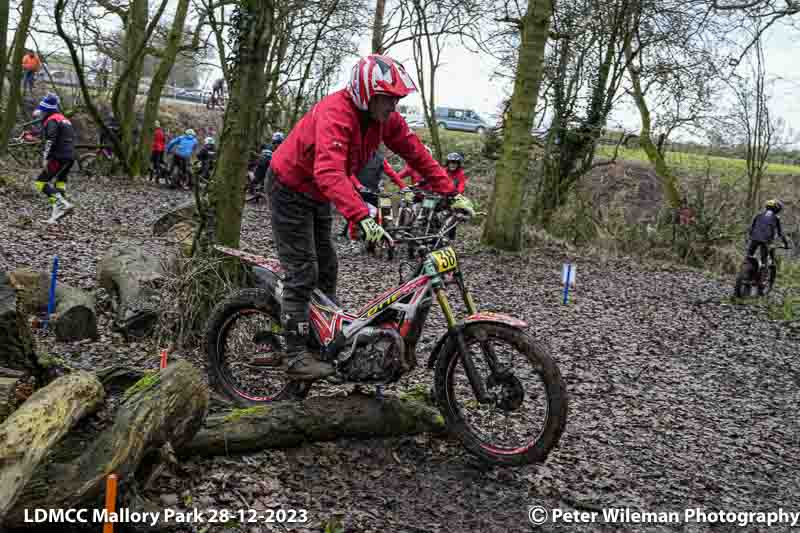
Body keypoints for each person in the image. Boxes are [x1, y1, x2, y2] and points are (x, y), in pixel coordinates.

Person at [263, 54, 470, 380]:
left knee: (328, 266)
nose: (394, 107)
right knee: (303, 270)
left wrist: (450, 192)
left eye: (397, 100)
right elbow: (329, 169)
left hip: (318, 191)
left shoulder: (383, 120)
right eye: (389, 99)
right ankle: (295, 356)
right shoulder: (336, 112)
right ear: (366, 94)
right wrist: (362, 216)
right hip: (289, 186)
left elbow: (415, 151)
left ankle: (322, 340)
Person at [33, 94, 75, 224]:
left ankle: (63, 204)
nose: (41, 113)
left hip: (58, 157)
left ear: (47, 110)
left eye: (43, 110)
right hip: (70, 156)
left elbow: (50, 139)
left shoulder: (51, 120)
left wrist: (45, 157)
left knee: (40, 183)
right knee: (60, 183)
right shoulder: (64, 119)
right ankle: (57, 214)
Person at [747, 199, 789, 267]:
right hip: (766, 241)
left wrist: (751, 237)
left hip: (754, 239)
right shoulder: (776, 218)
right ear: (777, 209)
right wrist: (786, 244)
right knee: (764, 261)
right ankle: (764, 271)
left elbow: (751, 229)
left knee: (748, 256)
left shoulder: (758, 215)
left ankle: (745, 269)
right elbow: (780, 234)